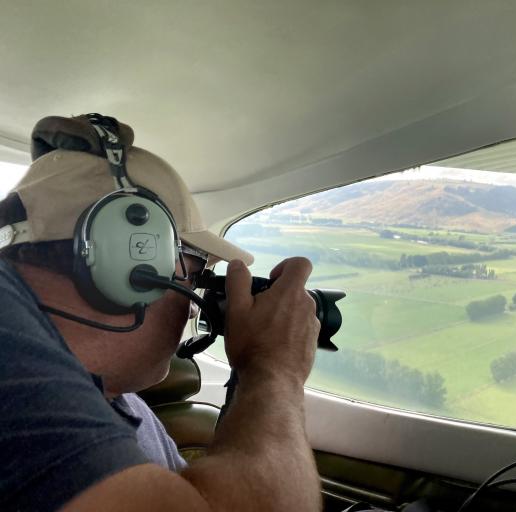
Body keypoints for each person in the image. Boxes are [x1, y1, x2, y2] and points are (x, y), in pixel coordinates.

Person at [0, 114, 322, 511]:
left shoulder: (123, 405)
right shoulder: (12, 374)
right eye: (197, 271)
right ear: (131, 260)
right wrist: (274, 369)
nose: (195, 301)